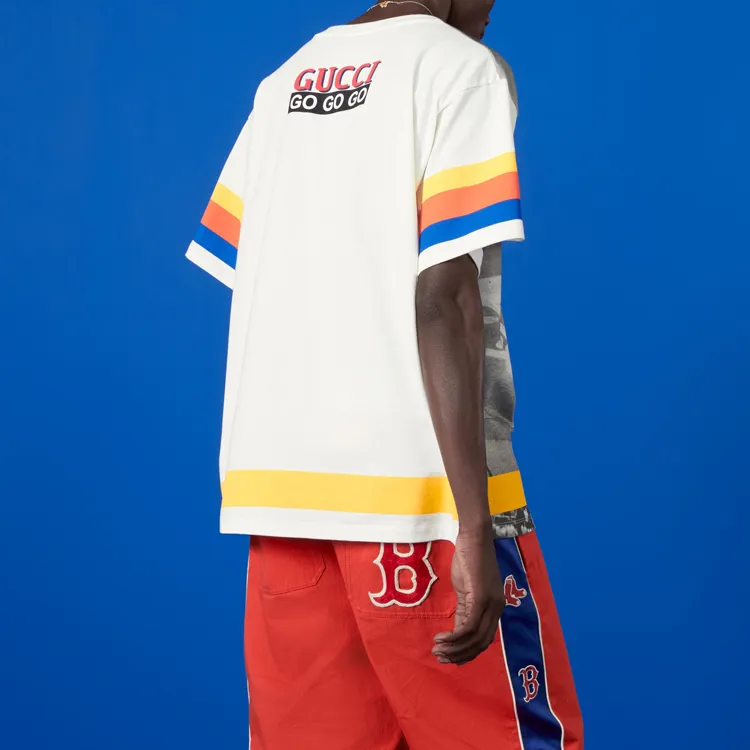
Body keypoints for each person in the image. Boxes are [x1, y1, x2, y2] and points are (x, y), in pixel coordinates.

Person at [186, 1, 583, 747]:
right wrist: (474, 525)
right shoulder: (462, 69)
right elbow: (444, 298)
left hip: (282, 501)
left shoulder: (283, 83)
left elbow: (255, 268)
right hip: (421, 501)